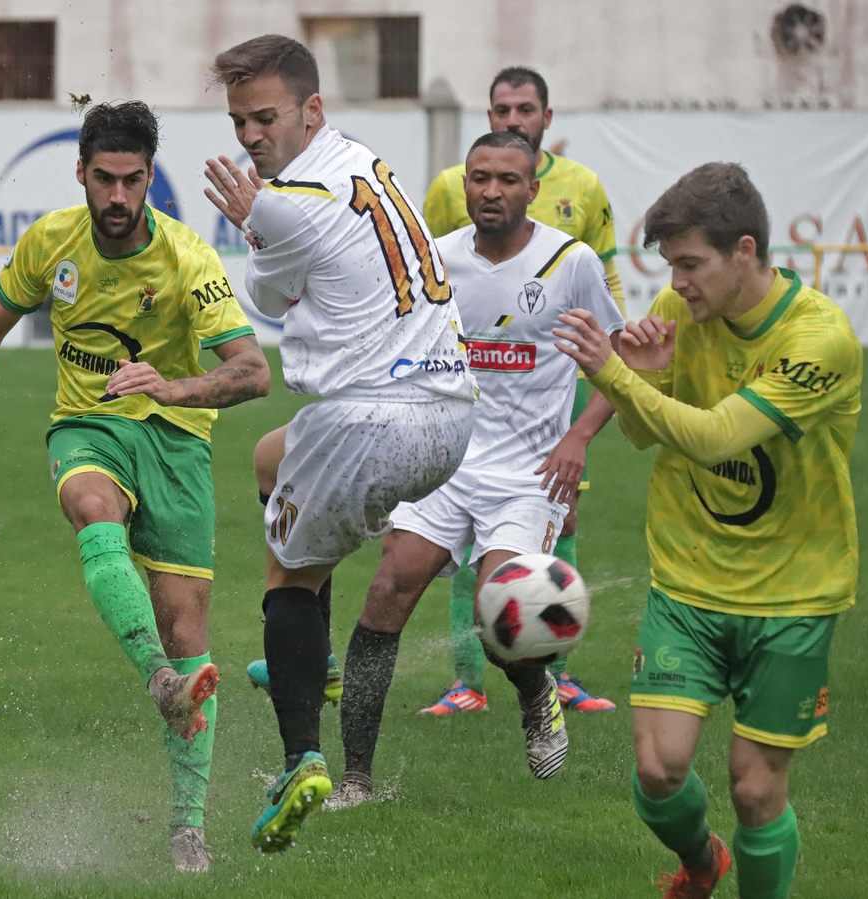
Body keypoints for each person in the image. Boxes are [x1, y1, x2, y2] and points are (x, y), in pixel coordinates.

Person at [0, 101, 271, 874]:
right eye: (103, 178)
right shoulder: (51, 243)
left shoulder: (188, 258)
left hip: (175, 444)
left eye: (132, 180)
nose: (117, 196)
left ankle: (187, 827)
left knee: (186, 626)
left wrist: (172, 386)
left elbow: (252, 372)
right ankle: (161, 682)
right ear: (81, 173)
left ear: (149, 180)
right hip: (89, 426)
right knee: (90, 508)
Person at [554, 162, 861, 899]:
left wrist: (612, 373)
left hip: (794, 592)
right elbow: (639, 433)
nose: (679, 282)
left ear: (745, 251)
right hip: (688, 581)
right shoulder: (678, 309)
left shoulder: (819, 338)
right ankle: (701, 864)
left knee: (756, 790)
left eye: (692, 264)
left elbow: (720, 436)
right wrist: (643, 375)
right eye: (672, 266)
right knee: (658, 772)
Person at [203, 34, 475, 852]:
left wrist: (255, 223)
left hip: (368, 416)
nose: (251, 136)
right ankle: (318, 663)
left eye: (266, 117)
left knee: (287, 573)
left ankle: (300, 760)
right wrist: (265, 222)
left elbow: (267, 291)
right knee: (268, 458)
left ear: (311, 109)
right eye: (239, 121)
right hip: (450, 413)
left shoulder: (282, 200)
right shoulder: (358, 162)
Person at [327, 131, 626, 809]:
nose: (492, 191)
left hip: (528, 476)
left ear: (532, 189)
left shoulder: (570, 263)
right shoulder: (440, 259)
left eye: (507, 180)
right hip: (445, 462)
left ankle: (534, 691)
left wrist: (578, 436)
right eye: (480, 178)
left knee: (502, 620)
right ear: (464, 185)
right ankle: (356, 779)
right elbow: (400, 349)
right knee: (386, 591)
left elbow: (618, 364)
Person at [420, 66, 625, 715]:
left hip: (547, 386)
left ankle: (555, 672)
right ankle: (467, 679)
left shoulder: (584, 188)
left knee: (560, 518)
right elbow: (428, 276)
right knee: (466, 537)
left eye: (525, 108)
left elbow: (603, 283)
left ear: (546, 117)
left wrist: (605, 367)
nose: (513, 118)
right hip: (468, 396)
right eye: (502, 108)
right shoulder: (452, 188)